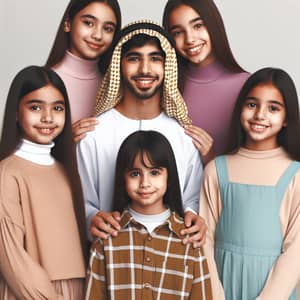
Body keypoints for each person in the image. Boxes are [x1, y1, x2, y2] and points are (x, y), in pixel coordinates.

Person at [77, 20, 206, 247]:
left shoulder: (184, 136)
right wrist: (91, 219)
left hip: (171, 264)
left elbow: (192, 198)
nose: (145, 69)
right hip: (109, 263)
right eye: (134, 58)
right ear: (119, 65)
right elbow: (82, 201)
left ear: (167, 67)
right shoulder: (93, 134)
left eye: (155, 59)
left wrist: (193, 216)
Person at [200, 67, 300, 300]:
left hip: (276, 292)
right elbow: (204, 239)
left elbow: (296, 250)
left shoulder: (295, 174)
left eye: (273, 108)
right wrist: (214, 294)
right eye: (252, 104)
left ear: (287, 119)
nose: (260, 115)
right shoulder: (216, 169)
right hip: (223, 286)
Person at [85, 130, 213, 299]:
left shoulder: (188, 239)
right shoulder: (107, 237)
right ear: (123, 178)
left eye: (154, 173)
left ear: (169, 176)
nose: (145, 183)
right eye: (135, 174)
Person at [0, 66, 87, 299]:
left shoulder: (66, 170)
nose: (48, 118)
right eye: (35, 107)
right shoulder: (8, 174)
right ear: (16, 113)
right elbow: (12, 257)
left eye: (57, 108)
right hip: (29, 292)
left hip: (76, 289)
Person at [163, 0, 250, 160]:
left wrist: (210, 158)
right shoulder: (165, 88)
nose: (190, 39)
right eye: (178, 32)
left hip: (222, 184)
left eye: (197, 26)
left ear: (213, 25)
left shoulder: (247, 86)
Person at [46, 0, 121, 143]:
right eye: (88, 23)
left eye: (108, 28)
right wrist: (65, 143)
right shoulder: (45, 82)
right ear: (68, 23)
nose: (98, 35)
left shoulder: (117, 85)